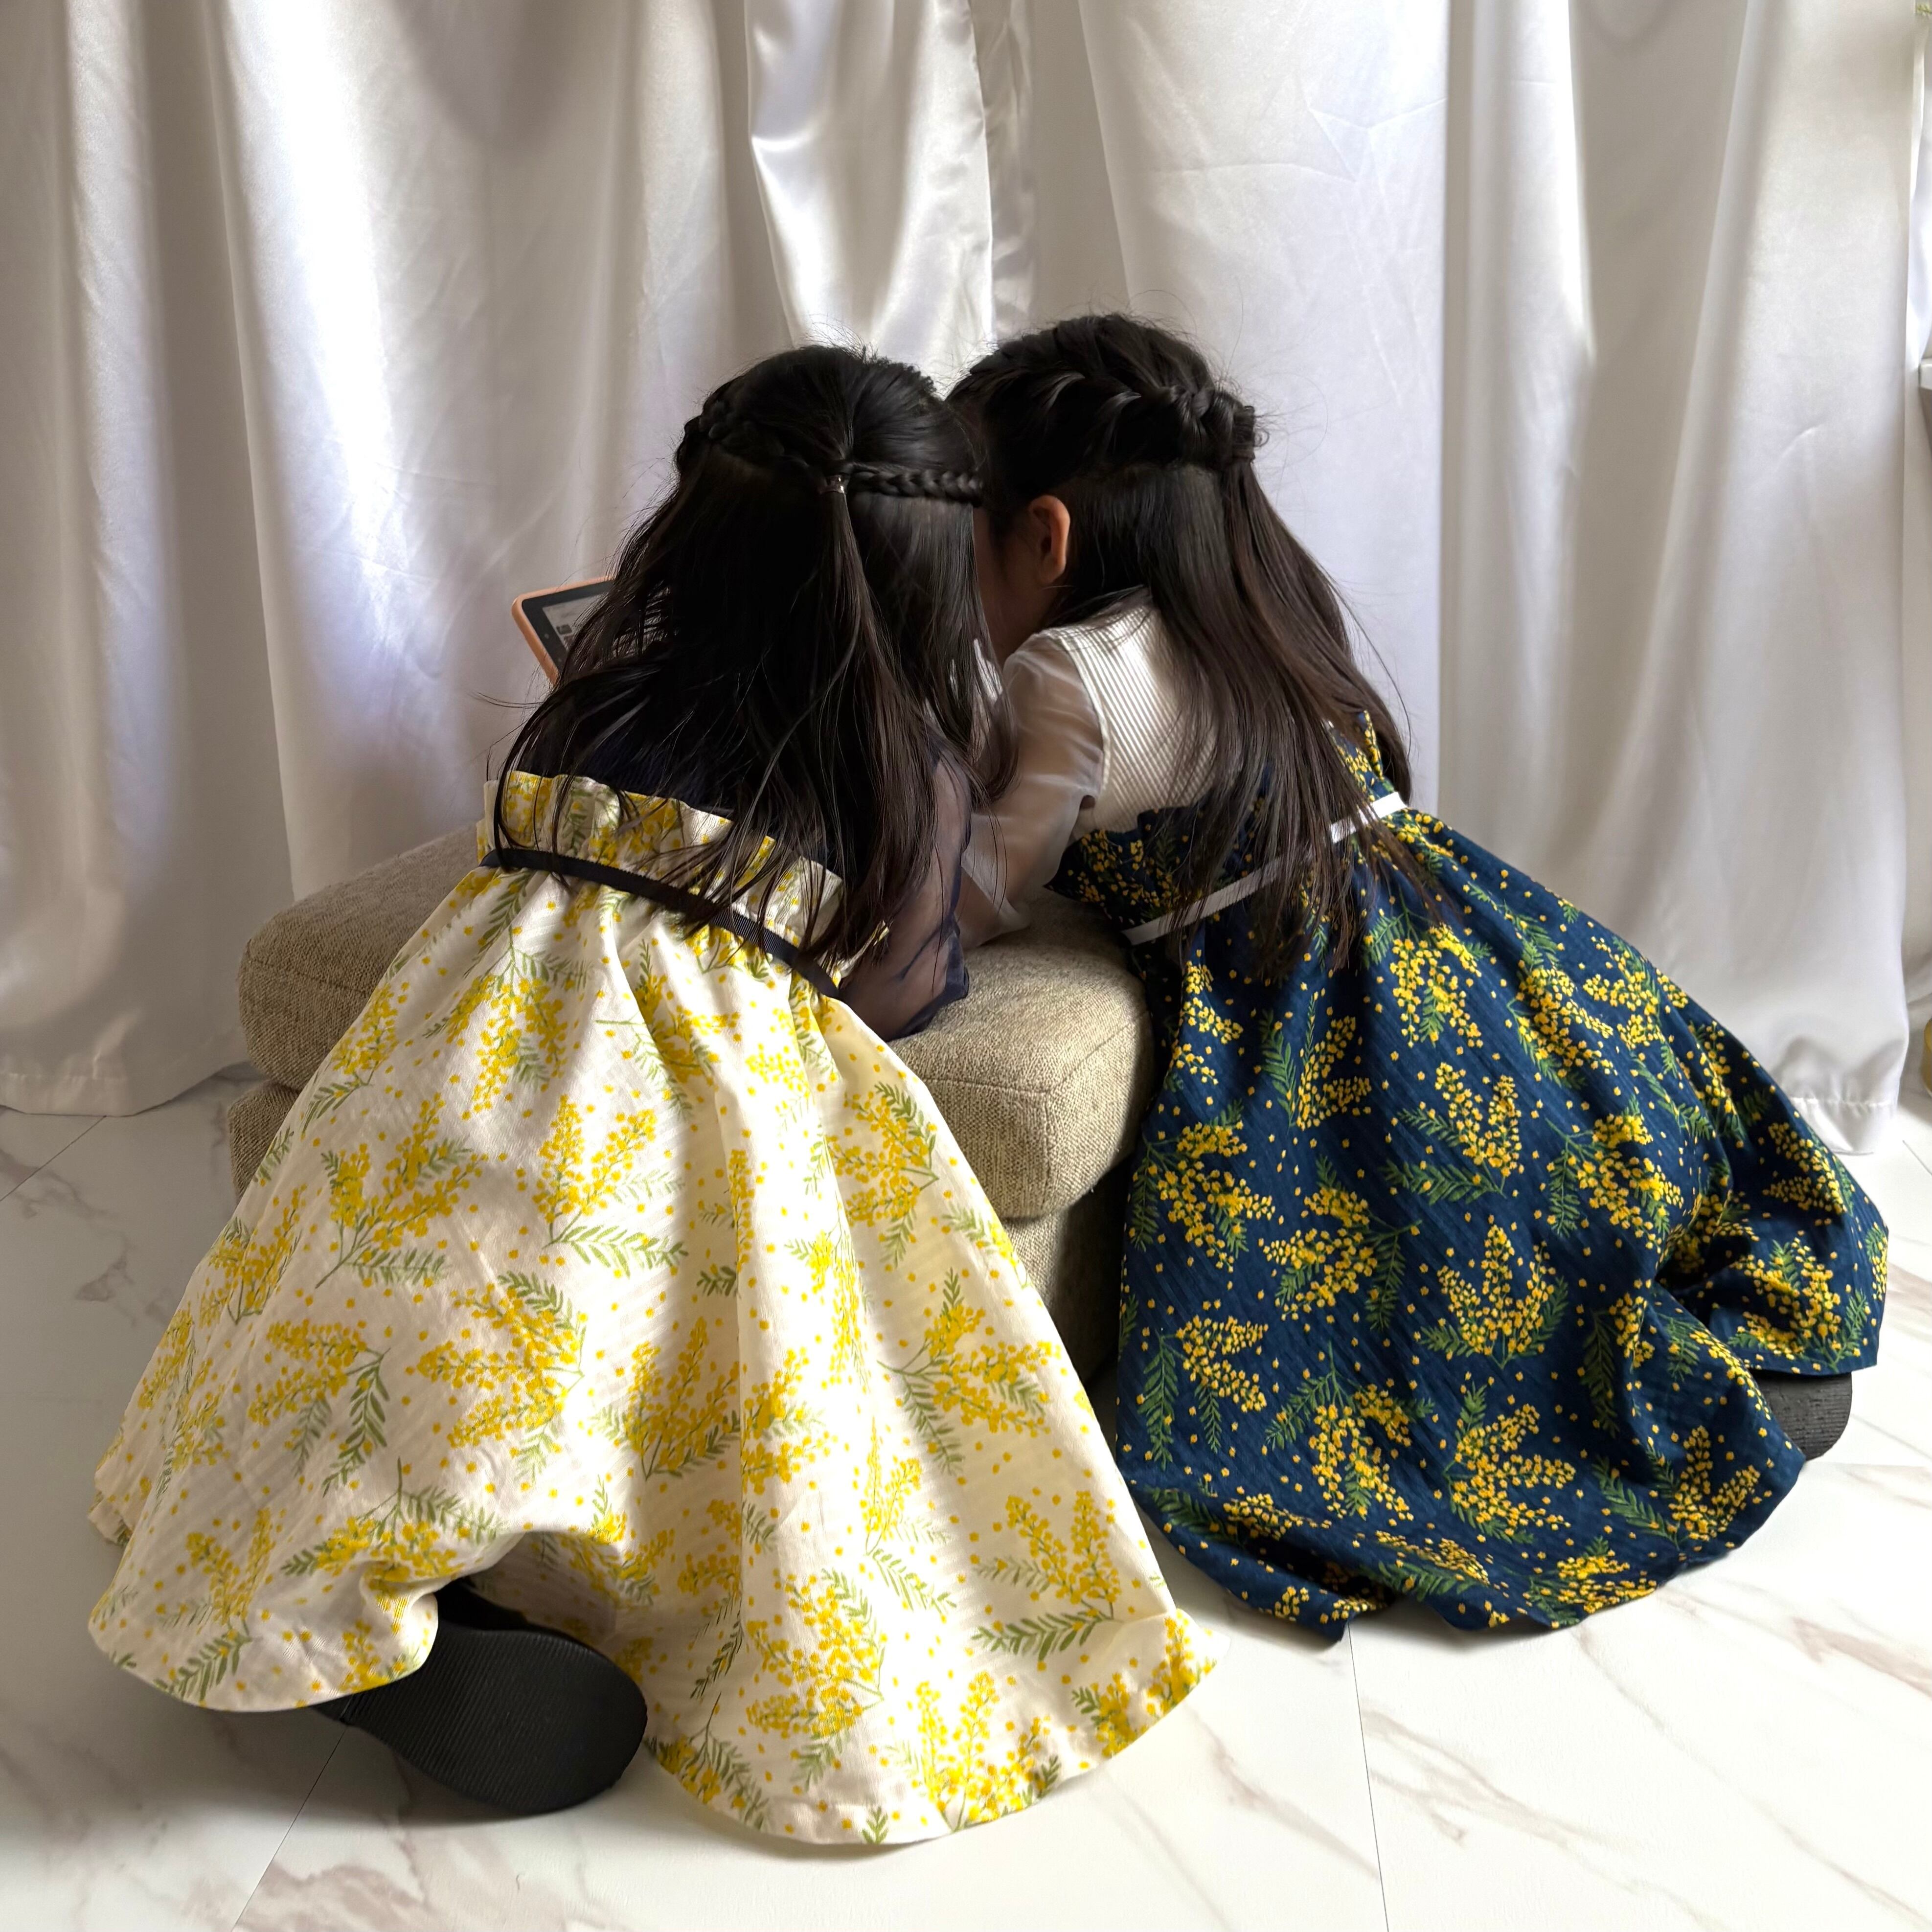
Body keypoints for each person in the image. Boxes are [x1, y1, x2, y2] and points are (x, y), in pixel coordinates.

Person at [90, 344, 1213, 1834]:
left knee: (410, 1303)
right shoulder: (896, 764)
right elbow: (892, 988)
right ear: (933, 574)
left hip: (457, 1063)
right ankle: (495, 1582)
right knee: (654, 1324)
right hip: (667, 1100)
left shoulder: (592, 709)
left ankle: (320, 1558)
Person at [949, 314, 1887, 1635]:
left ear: (1044, 537)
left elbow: (993, 885)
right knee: (1570, 1146)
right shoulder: (1261, 594)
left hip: (1304, 1004)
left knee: (1330, 1317)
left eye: (962, 541)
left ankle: (1605, 1389)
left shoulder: (1068, 671)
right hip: (1439, 932)